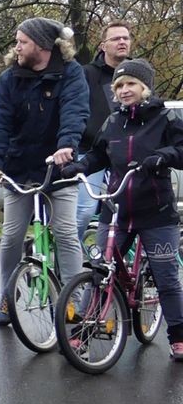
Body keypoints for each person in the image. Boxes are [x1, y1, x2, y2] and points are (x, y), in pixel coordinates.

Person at [62, 59, 183, 359]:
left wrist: (164, 155)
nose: (125, 90)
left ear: (144, 87)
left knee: (166, 278)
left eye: (130, 84)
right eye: (119, 86)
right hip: (116, 209)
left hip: (156, 211)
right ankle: (81, 334)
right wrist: (79, 166)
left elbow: (181, 151)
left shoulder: (166, 119)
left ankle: (178, 337)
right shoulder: (112, 122)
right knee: (100, 272)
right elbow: (98, 155)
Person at [0, 17, 88, 327]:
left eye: (22, 41)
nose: (17, 46)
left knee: (67, 234)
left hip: (59, 167)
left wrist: (67, 145)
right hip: (19, 168)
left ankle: (73, 300)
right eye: (17, 41)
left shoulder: (71, 73)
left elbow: (75, 111)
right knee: (11, 236)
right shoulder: (9, 79)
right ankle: (7, 295)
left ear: (42, 45)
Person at [76, 20, 134, 243]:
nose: (122, 42)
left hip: (126, 151)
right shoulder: (86, 74)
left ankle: (118, 263)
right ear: (103, 45)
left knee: (129, 209)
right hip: (91, 150)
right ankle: (67, 261)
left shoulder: (136, 71)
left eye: (126, 38)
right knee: (84, 210)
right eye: (116, 38)